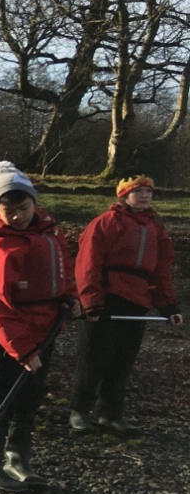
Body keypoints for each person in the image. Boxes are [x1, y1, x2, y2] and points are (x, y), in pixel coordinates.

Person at [0, 161, 79, 491]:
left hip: (45, 329)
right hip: (6, 338)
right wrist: (24, 350)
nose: (18, 216)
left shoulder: (49, 234)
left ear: (34, 204)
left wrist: (70, 296)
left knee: (30, 397)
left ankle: (17, 458)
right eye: (9, 210)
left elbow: (64, 269)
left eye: (24, 208)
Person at [69, 175, 182, 436]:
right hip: (106, 298)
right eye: (138, 191)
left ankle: (110, 413)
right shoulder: (106, 222)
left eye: (148, 191)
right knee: (93, 357)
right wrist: (91, 302)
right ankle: (79, 411)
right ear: (124, 195)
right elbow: (88, 264)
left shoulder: (156, 229)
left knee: (122, 360)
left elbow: (161, 271)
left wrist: (169, 307)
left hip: (137, 301)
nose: (144, 196)